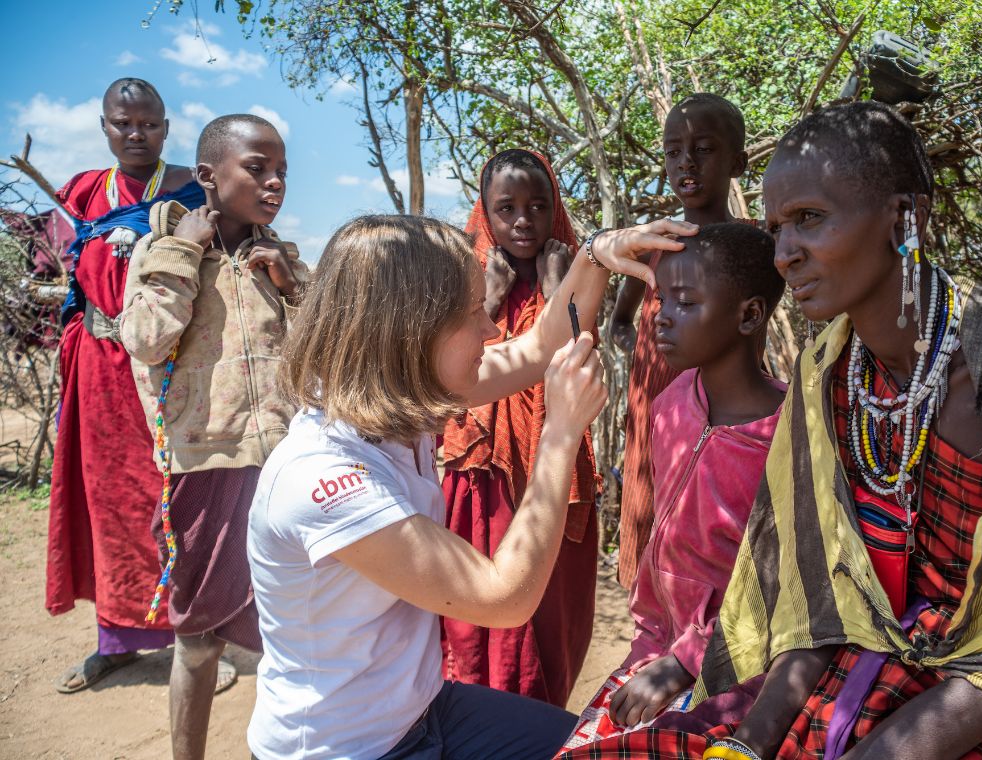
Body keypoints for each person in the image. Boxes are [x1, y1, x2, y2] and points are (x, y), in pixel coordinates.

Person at [564, 101, 982, 760]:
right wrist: (749, 745)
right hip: (873, 659)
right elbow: (822, 596)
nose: (784, 254)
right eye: (777, 227)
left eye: (808, 219)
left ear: (905, 217)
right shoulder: (826, 372)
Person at [246, 215, 696, 760]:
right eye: (468, 314)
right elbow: (503, 597)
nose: (490, 330)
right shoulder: (324, 476)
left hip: (423, 712)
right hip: (345, 748)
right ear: (407, 331)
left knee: (599, 750)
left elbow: (535, 350)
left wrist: (596, 256)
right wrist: (558, 433)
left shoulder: (382, 394)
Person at [120, 113, 307, 760]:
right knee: (199, 641)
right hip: (205, 468)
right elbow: (145, 340)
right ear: (206, 175)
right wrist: (184, 251)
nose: (275, 180)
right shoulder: (161, 249)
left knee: (294, 636)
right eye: (258, 167)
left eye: (282, 168)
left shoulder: (279, 255)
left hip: (285, 468)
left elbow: (320, 354)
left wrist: (291, 287)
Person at [561, 223, 786, 750]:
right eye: (661, 299)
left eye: (684, 302)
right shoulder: (672, 403)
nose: (661, 315)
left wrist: (686, 663)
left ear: (749, 315)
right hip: (654, 648)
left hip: (734, 670)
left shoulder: (787, 438)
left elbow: (779, 590)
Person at [45, 77, 209, 694]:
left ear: (166, 128)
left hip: (163, 369)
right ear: (105, 126)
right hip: (97, 366)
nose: (135, 134)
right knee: (108, 506)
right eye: (123, 123)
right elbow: (72, 269)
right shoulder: (85, 192)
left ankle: (195, 641)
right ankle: (115, 639)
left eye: (149, 124)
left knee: (170, 501)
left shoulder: (190, 195)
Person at [440, 148, 599, 708]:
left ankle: (534, 719)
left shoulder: (574, 270)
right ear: (484, 213)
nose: (523, 221)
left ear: (554, 208)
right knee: (487, 606)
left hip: (554, 464)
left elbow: (579, 355)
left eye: (537, 205)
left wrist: (559, 291)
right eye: (506, 208)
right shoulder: (466, 280)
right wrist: (490, 295)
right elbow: (456, 362)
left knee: (550, 609)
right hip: (485, 469)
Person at [609, 93, 753, 588]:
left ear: (738, 162)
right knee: (651, 527)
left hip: (722, 419)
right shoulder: (652, 244)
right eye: (673, 151)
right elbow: (621, 320)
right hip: (653, 415)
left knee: (714, 545)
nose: (686, 162)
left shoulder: (752, 247)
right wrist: (647, 365)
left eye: (704, 149)